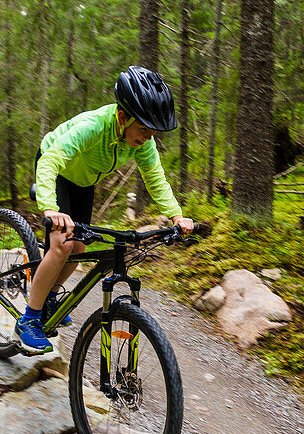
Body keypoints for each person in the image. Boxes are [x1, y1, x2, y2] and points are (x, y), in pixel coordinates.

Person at [15, 66, 195, 354]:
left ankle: (47, 295)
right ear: (122, 118)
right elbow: (50, 162)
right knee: (61, 246)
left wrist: (176, 215)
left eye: (153, 133)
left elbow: (156, 179)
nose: (148, 138)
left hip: (84, 180)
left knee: (80, 248)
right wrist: (50, 208)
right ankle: (29, 320)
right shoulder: (94, 126)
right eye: (144, 130)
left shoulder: (141, 142)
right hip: (58, 169)